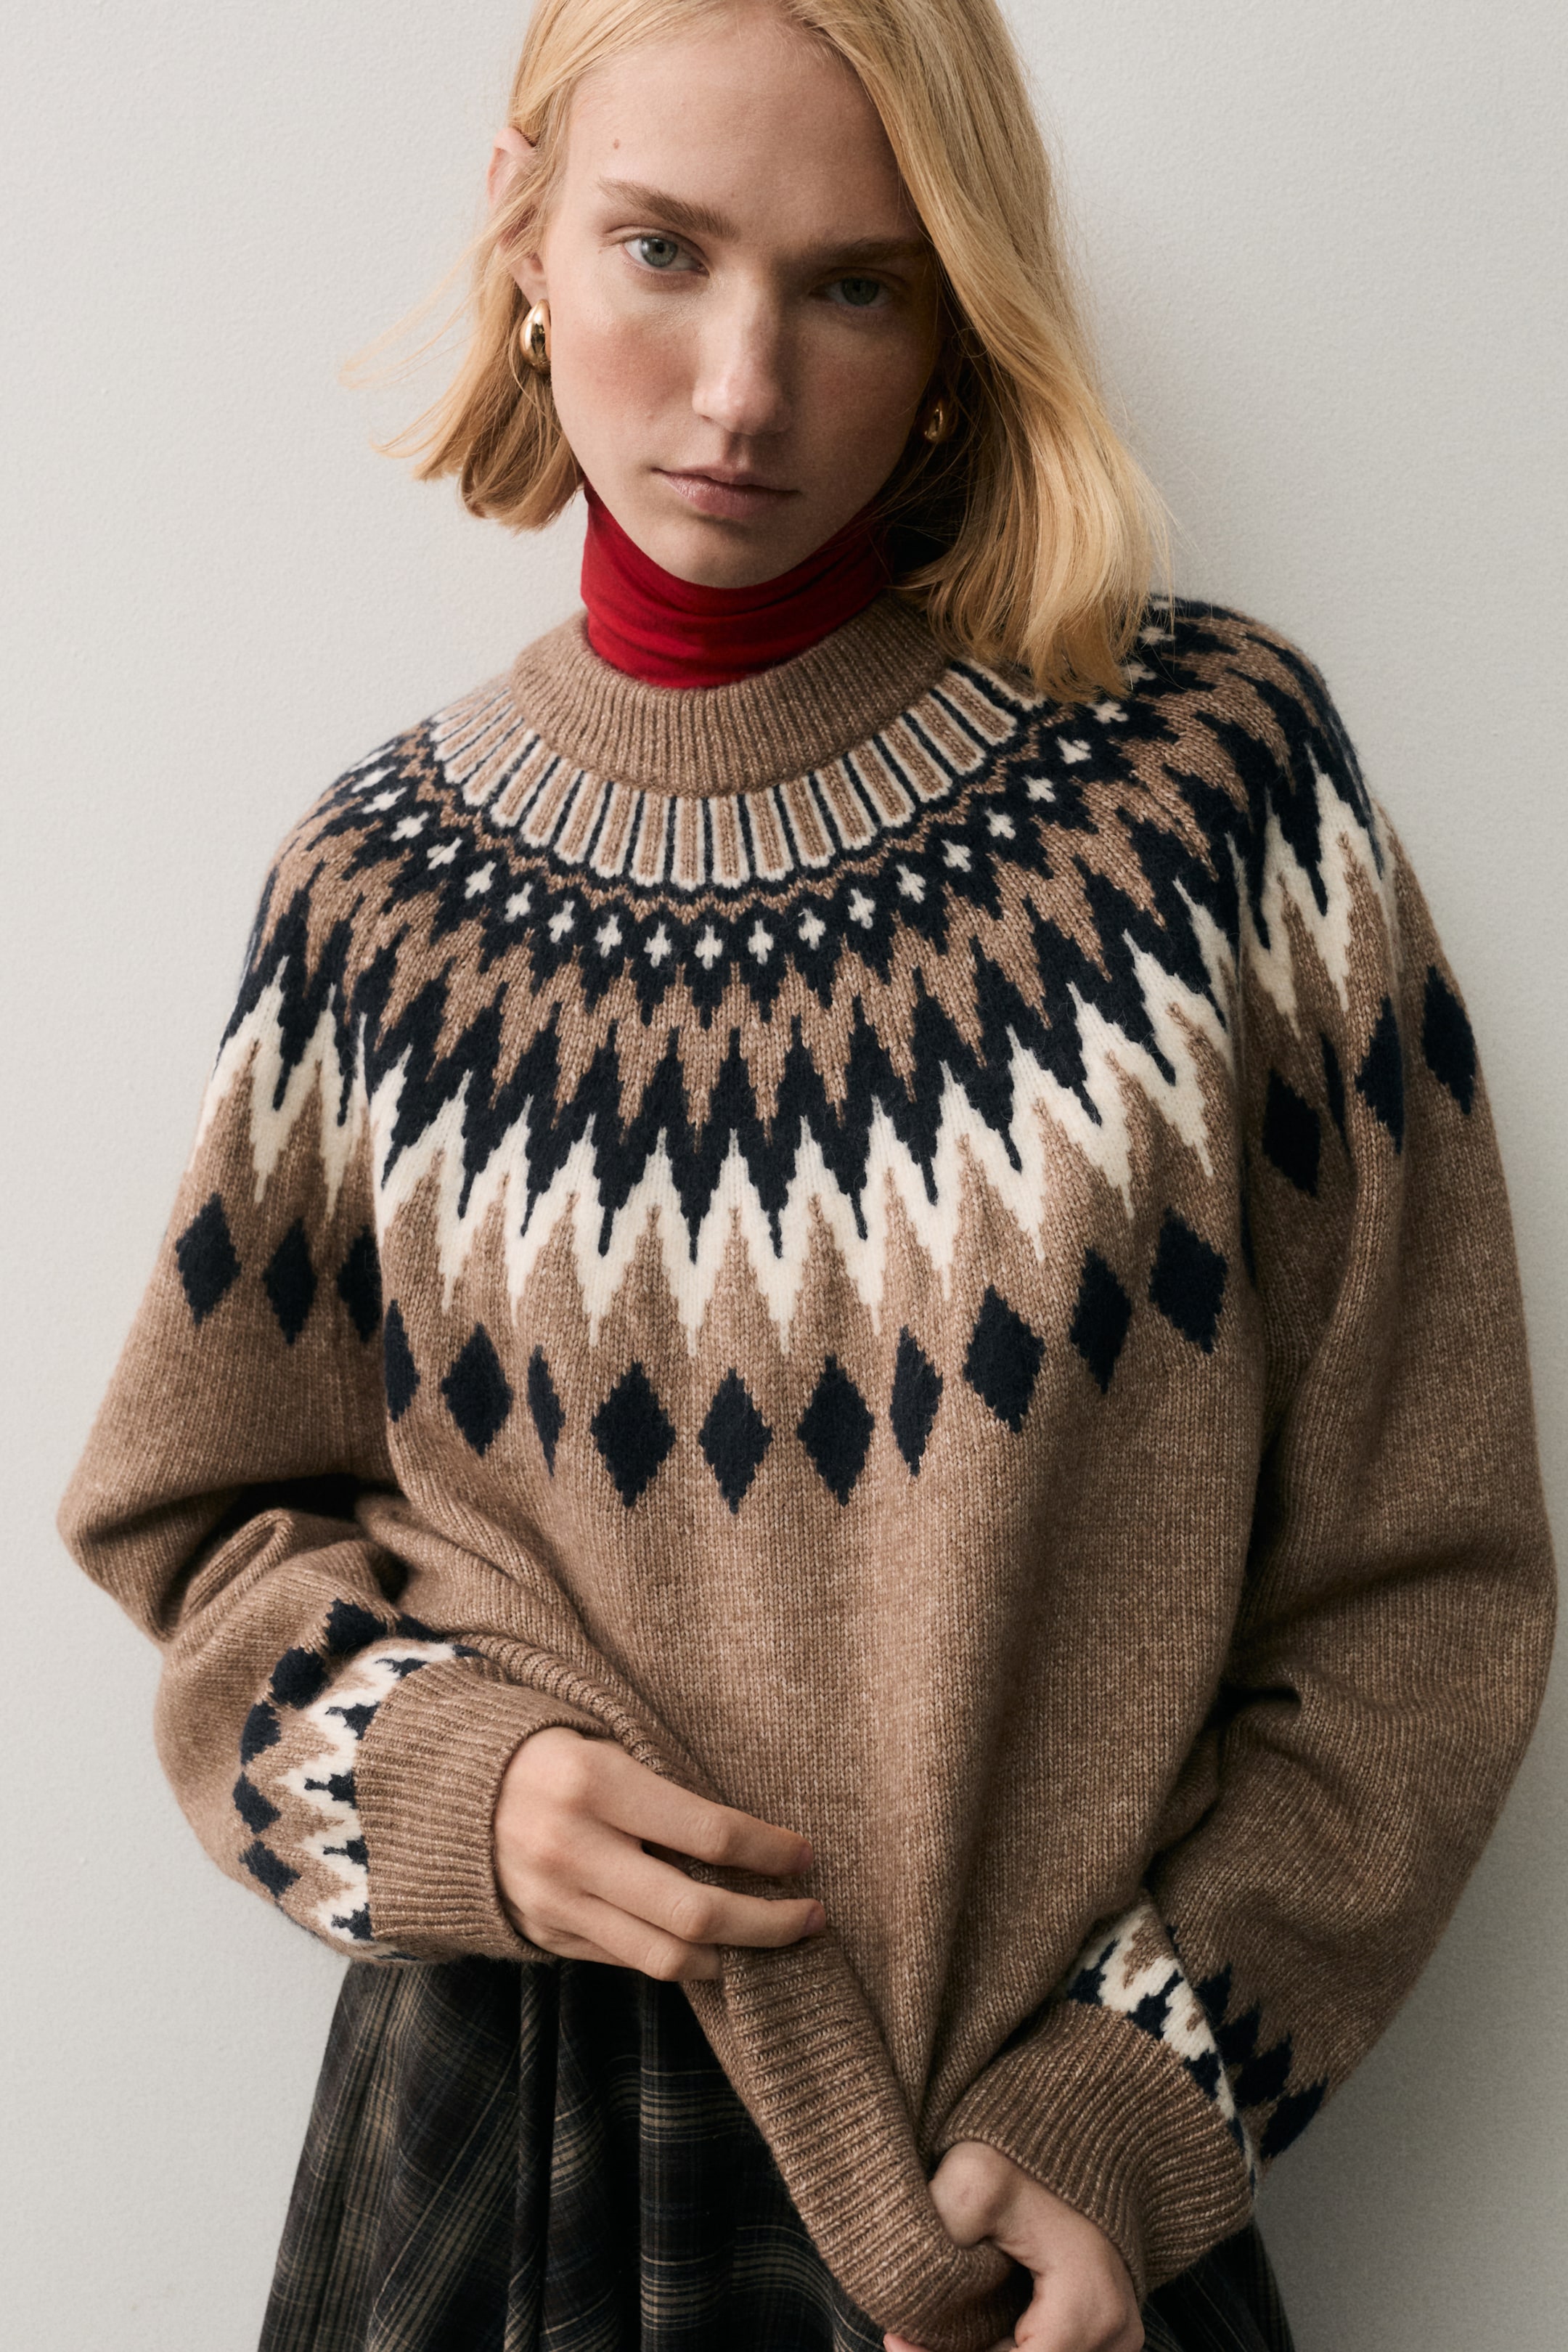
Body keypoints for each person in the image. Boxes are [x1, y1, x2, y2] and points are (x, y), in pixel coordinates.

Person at [58, 0, 1555, 2346]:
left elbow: (1426, 1580)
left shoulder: (1209, 798)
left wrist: (1149, 2098)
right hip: (511, 2167)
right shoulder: (381, 902)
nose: (743, 389)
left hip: (1038, 2201)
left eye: (856, 285)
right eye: (663, 249)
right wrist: (450, 1784)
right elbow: (193, 1525)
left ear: (959, 330)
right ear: (523, 235)